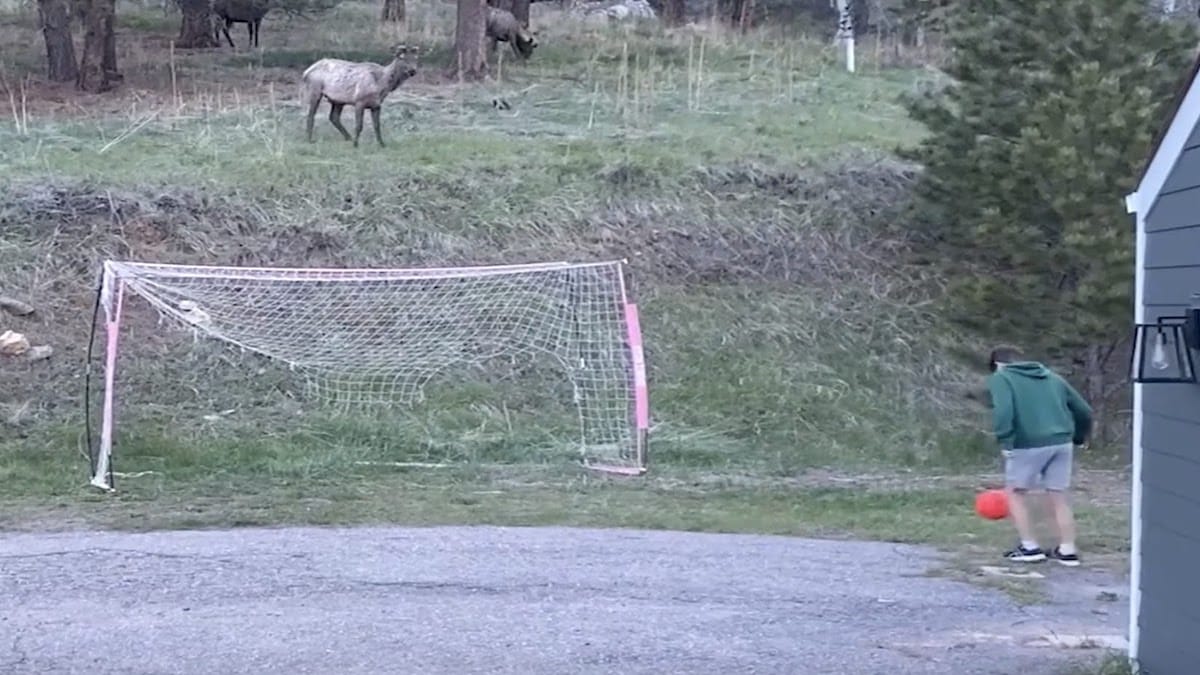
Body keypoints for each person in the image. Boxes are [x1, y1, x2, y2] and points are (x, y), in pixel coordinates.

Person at [986, 345, 1093, 567]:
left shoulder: (1002, 378)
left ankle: (1030, 547)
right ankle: (1068, 550)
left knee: (1016, 493)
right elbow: (1084, 410)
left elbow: (1004, 410)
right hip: (1062, 442)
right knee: (1058, 495)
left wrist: (1006, 440)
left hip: (1027, 443)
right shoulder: (1052, 377)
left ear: (998, 363)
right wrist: (1079, 437)